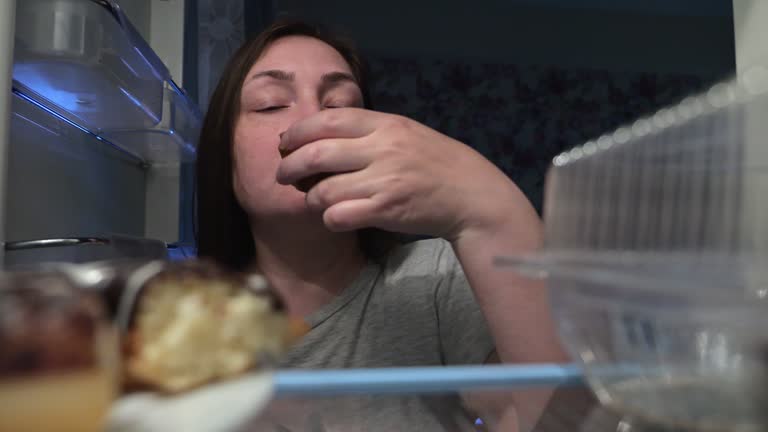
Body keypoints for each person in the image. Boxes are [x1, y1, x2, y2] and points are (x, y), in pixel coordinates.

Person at [196, 19, 567, 431]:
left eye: (340, 105)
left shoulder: (435, 277)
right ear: (222, 150)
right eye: (270, 104)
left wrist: (495, 211)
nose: (312, 121)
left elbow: (555, 420)